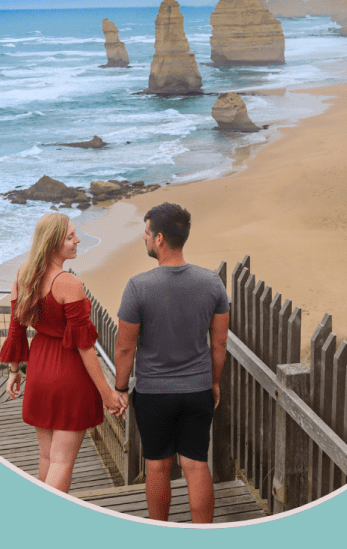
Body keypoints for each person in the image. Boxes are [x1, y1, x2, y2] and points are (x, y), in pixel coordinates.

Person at [113, 203, 229, 523]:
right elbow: (219, 343)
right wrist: (213, 382)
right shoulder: (212, 283)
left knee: (157, 466)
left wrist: (120, 388)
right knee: (195, 464)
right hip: (197, 389)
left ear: (160, 238)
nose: (144, 238)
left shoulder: (138, 286)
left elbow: (125, 347)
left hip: (153, 394)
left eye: (147, 233)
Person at [0, 213, 126, 493]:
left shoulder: (24, 274)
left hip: (39, 370)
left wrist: (14, 371)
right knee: (62, 462)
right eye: (70, 236)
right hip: (68, 373)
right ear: (53, 243)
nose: (78, 239)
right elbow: (84, 346)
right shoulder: (68, 283)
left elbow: (16, 328)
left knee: (47, 457)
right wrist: (107, 394)